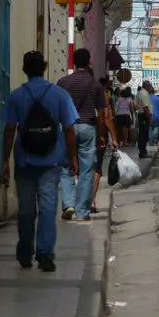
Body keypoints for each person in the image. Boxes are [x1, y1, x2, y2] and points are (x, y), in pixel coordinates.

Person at [1, 51, 79, 272]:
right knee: (47, 208)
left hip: (25, 161)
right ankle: (45, 253)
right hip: (51, 161)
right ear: (44, 68)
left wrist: (5, 161)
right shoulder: (60, 95)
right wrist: (73, 158)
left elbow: (9, 130)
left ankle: (25, 251)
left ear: (25, 70)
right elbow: (70, 129)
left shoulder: (17, 96)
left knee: (26, 210)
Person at [57, 49, 106, 222]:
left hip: (67, 127)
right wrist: (101, 135)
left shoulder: (62, 83)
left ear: (74, 62)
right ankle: (82, 211)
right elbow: (101, 113)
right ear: (88, 62)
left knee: (66, 167)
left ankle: (68, 204)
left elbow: (57, 108)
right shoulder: (95, 85)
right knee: (86, 170)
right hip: (87, 128)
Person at [92, 79, 118, 215]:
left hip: (75, 130)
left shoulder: (73, 88)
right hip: (96, 133)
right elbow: (106, 117)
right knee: (96, 169)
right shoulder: (101, 93)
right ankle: (91, 201)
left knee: (81, 169)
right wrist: (113, 137)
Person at [136, 80, 153, 158]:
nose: (150, 88)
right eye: (150, 86)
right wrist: (149, 119)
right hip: (144, 115)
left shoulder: (140, 92)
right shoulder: (144, 93)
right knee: (144, 134)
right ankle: (142, 151)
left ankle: (143, 150)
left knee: (142, 133)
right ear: (147, 86)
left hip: (141, 115)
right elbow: (146, 107)